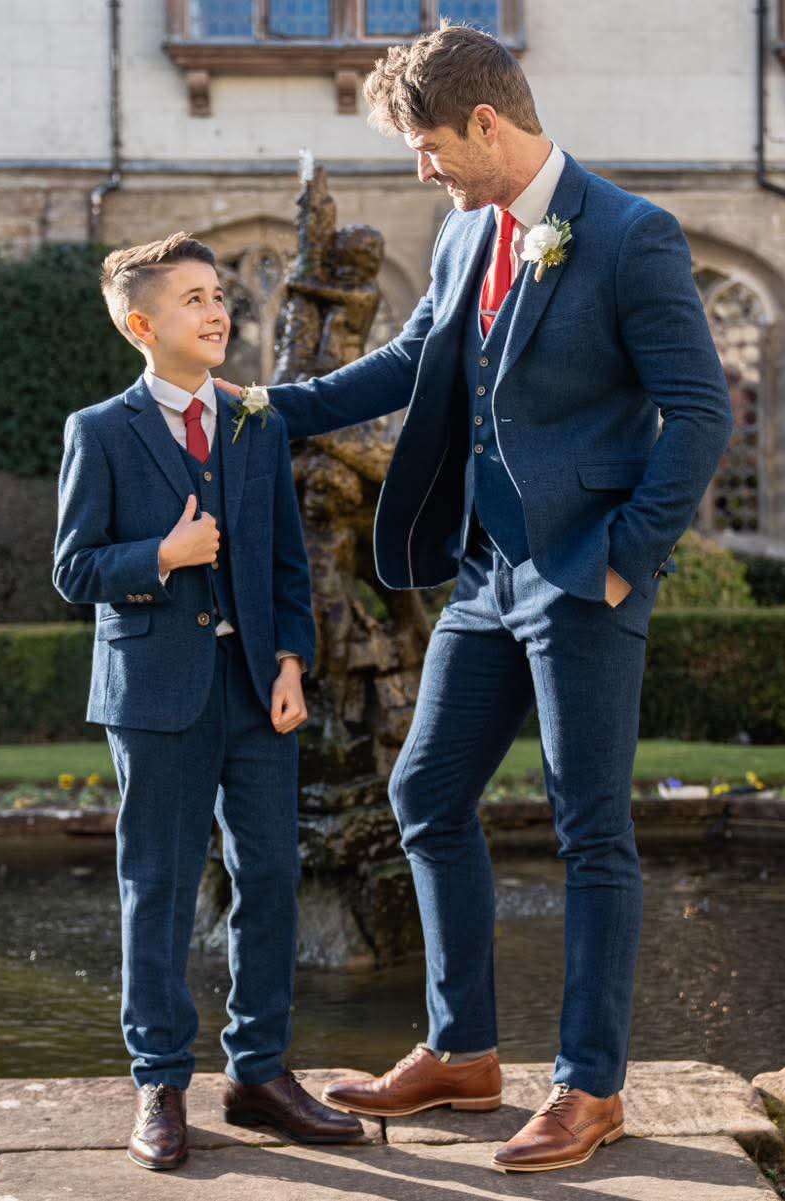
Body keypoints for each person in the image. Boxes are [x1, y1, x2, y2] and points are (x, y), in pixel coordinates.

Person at [217, 26, 733, 1174]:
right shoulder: (461, 235)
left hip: (584, 573)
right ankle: (465, 1053)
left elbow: (701, 411)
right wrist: (264, 405)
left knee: (590, 826)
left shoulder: (631, 236)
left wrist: (625, 556)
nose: (423, 169)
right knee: (425, 791)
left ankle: (590, 1086)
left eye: (429, 146)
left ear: (488, 126)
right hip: (486, 574)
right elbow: (406, 363)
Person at [53, 232, 362, 1171]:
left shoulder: (253, 423)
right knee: (160, 883)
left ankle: (259, 1073)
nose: (218, 308)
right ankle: (160, 1080)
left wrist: (292, 663)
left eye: (219, 292)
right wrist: (160, 558)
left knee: (270, 874)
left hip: (252, 689)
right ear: (144, 325)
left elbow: (282, 560)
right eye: (193, 298)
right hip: (155, 695)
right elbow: (73, 569)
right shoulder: (100, 430)